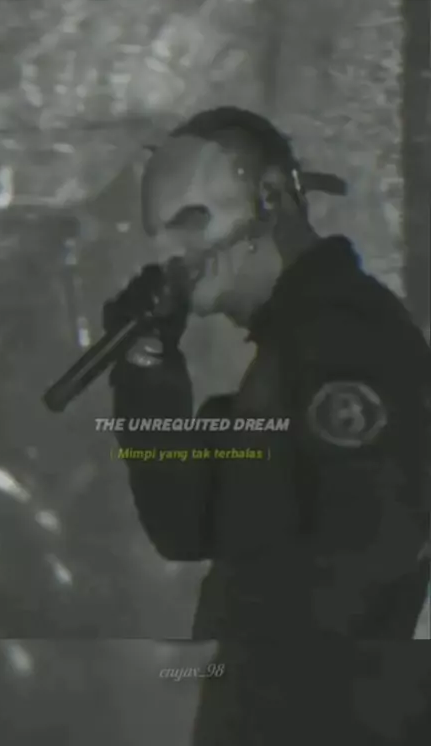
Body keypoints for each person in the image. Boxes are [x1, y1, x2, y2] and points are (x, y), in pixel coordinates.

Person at [107, 107, 431, 743]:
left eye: (191, 220)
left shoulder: (344, 341)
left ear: (272, 196)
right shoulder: (292, 352)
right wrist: (146, 366)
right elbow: (186, 522)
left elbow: (369, 560)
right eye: (160, 234)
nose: (173, 253)